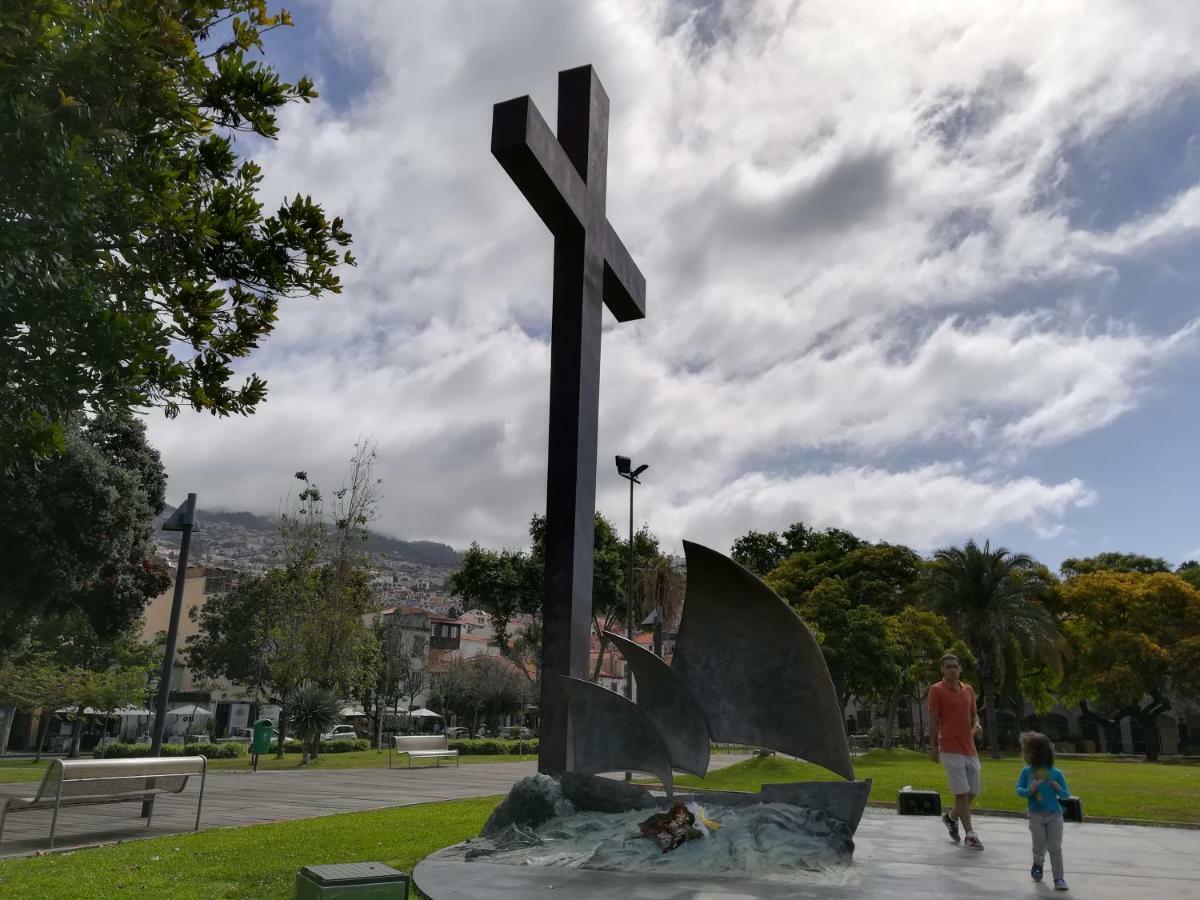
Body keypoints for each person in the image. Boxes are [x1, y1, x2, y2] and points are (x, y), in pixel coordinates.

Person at [927, 652, 984, 850]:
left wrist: (976, 726)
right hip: (949, 748)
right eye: (948, 666)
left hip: (969, 747)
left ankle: (951, 817)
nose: (952, 670)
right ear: (942, 669)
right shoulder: (936, 690)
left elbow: (974, 716)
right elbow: (933, 719)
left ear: (960, 669)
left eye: (955, 666)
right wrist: (933, 746)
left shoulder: (968, 690)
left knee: (973, 791)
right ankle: (970, 834)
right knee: (961, 792)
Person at [1016, 731, 1071, 891]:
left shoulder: (1056, 773)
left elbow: (1066, 794)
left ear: (1037, 753)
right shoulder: (1027, 772)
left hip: (1055, 815)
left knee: (1055, 847)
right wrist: (1029, 790)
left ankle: (1059, 878)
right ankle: (1038, 863)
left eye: (1026, 751)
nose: (1023, 754)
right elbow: (1018, 789)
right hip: (1036, 815)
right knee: (1039, 844)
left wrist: (1058, 788)